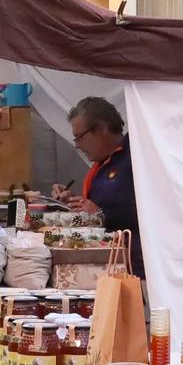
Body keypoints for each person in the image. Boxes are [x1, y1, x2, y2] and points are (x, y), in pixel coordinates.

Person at [60, 96, 142, 273]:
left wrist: (100, 214)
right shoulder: (104, 162)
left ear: (102, 128)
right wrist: (77, 202)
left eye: (80, 137)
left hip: (135, 265)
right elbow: (105, 202)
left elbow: (147, 210)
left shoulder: (137, 154)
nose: (77, 146)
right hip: (109, 261)